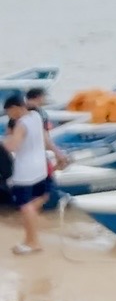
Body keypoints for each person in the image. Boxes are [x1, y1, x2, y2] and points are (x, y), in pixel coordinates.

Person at [3, 95, 50, 255]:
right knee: (35, 202)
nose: (9, 116)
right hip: (40, 169)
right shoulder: (36, 116)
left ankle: (33, 242)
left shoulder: (21, 124)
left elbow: (12, 146)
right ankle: (31, 238)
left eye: (9, 112)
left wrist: (3, 141)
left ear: (15, 108)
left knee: (25, 207)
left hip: (25, 172)